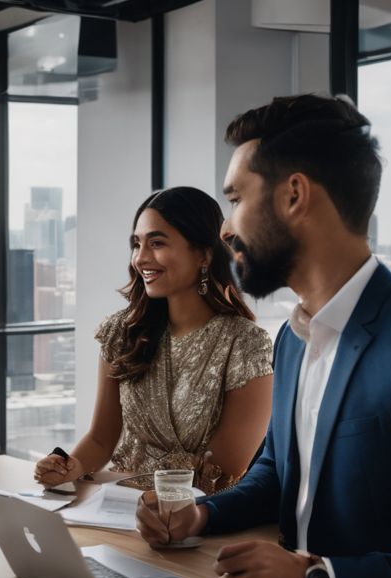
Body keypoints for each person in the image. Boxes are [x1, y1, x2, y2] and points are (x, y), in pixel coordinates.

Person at [137, 94, 391, 578]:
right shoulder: (295, 337)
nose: (226, 228)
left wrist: (318, 577)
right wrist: (199, 516)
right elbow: (276, 474)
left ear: (294, 195)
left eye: (236, 199)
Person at [34, 187, 273, 494]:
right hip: (117, 507)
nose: (141, 258)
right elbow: (100, 439)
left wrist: (160, 505)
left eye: (157, 243)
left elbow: (223, 473)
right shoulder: (121, 332)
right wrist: (68, 467)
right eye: (137, 244)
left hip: (202, 518)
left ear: (203, 254)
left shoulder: (245, 344)